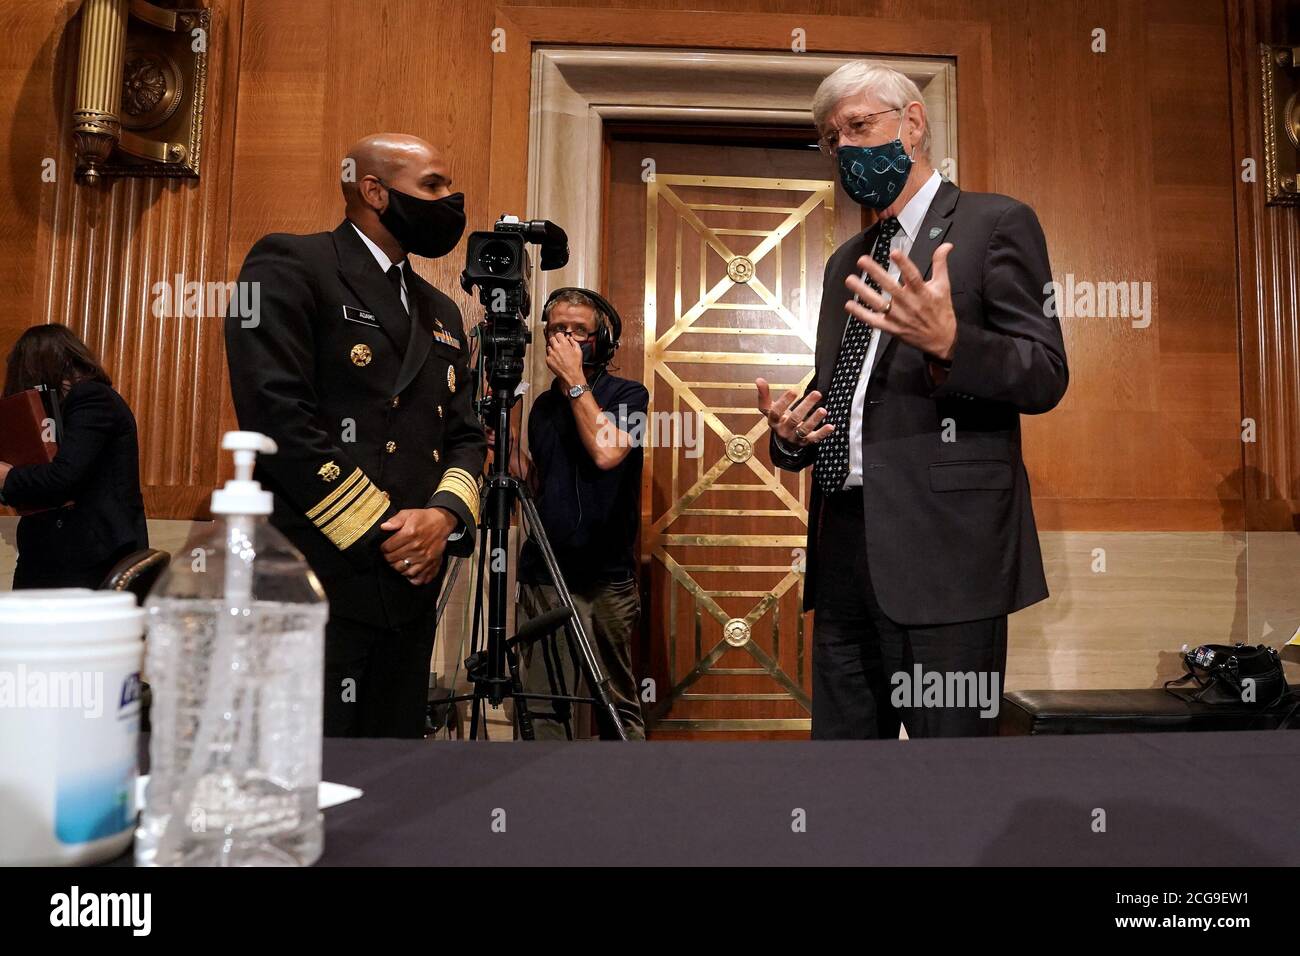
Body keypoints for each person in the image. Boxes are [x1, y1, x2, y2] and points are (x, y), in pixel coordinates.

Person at [756, 62, 1068, 740]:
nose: (845, 149)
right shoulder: (847, 259)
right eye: (832, 140)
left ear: (913, 124)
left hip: (947, 556)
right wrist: (791, 434)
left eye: (860, 127)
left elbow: (1045, 373)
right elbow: (841, 386)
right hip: (843, 549)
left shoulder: (995, 223)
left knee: (948, 778)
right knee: (846, 776)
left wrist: (953, 343)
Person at [224, 133, 486, 739]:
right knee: (309, 768)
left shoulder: (441, 311)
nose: (451, 199)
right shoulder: (292, 264)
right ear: (374, 191)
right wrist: (389, 530)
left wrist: (442, 519)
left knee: (393, 772)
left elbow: (466, 436)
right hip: (320, 576)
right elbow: (277, 416)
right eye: (433, 186)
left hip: (413, 581)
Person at [510, 288, 647, 740]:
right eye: (555, 331)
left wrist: (575, 382)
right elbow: (539, 487)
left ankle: (625, 804)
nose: (564, 340)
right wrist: (509, 445)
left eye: (578, 331)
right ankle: (550, 802)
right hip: (545, 572)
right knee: (544, 706)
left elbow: (607, 453)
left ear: (602, 341)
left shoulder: (631, 395)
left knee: (616, 709)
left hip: (603, 577)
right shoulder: (544, 406)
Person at [0, 324, 148, 590]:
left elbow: (63, 476)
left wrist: (8, 477)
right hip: (54, 552)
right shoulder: (57, 410)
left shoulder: (91, 397)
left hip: (92, 555)